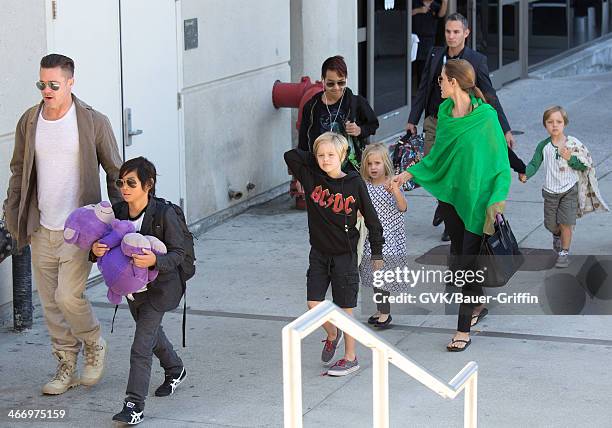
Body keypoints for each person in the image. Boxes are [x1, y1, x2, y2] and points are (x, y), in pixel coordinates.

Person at [4, 53, 122, 394]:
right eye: (42, 83)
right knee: (51, 303)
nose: (47, 90)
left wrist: (117, 225)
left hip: (79, 230)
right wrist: (13, 213)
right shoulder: (29, 121)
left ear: (70, 82)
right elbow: (18, 170)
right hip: (41, 226)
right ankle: (65, 364)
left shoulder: (92, 122)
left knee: (69, 296)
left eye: (54, 84)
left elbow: (114, 172)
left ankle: (94, 342)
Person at [396, 59, 511, 351]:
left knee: (465, 263)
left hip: (478, 203)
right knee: (462, 260)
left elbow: (500, 163)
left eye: (442, 80)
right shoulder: (445, 114)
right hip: (450, 199)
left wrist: (498, 199)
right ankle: (478, 303)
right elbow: (436, 159)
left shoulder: (486, 116)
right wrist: (407, 174)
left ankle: (462, 331)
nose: (439, 84)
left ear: (454, 83)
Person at [405, 13, 525, 242]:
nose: (451, 36)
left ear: (466, 33)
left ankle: (451, 216)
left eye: (456, 32)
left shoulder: (476, 61)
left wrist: (505, 129)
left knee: (456, 171)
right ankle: (446, 204)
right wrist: (413, 118)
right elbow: (423, 89)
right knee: (436, 164)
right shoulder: (434, 54)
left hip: (464, 124)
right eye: (448, 31)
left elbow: (490, 96)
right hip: (436, 122)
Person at [91, 157, 187, 425]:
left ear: (148, 185)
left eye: (131, 182)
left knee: (141, 345)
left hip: (160, 289)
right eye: (121, 182)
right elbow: (105, 244)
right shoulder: (119, 211)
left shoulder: (164, 214)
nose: (124, 187)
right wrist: (94, 250)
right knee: (152, 335)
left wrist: (155, 261)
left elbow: (179, 254)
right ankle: (175, 369)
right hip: (131, 290)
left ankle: (134, 405)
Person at [285, 132, 385, 376]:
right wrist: (320, 147)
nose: (325, 159)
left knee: (345, 309)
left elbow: (373, 221)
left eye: (331, 155)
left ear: (343, 155)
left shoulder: (354, 183)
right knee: (313, 303)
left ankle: (351, 357)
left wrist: (377, 254)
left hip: (345, 255)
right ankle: (332, 333)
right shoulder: (311, 177)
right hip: (319, 253)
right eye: (321, 155)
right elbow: (291, 156)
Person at [520, 106, 609, 268]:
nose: (554, 125)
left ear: (565, 124)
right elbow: (534, 163)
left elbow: (585, 165)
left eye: (559, 122)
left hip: (569, 189)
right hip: (550, 192)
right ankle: (557, 235)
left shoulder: (572, 144)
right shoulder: (543, 146)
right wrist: (526, 173)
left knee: (566, 223)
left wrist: (570, 159)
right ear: (545, 125)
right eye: (550, 122)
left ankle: (564, 252)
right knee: (551, 224)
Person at [298, 55, 379, 172]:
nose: (336, 88)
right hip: (320, 169)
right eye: (330, 84)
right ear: (323, 80)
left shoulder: (356, 102)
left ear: (346, 79)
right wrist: (302, 173)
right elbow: (304, 142)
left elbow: (373, 125)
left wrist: (359, 130)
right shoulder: (312, 107)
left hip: (350, 169)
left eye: (341, 83)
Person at [359, 144, 408, 329]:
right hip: (370, 237)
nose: (373, 167)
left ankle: (385, 313)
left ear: (385, 163)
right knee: (375, 276)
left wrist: (395, 191)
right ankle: (381, 309)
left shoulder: (391, 184)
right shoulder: (364, 186)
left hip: (387, 236)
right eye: (370, 163)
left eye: (377, 163)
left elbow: (403, 207)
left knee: (381, 276)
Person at [412, 0, 448, 85]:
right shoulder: (414, 3)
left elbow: (441, 14)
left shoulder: (435, 5)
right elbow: (407, 14)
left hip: (429, 39)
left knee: (426, 66)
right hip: (415, 38)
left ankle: (423, 89)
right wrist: (419, 10)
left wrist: (445, 2)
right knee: (414, 65)